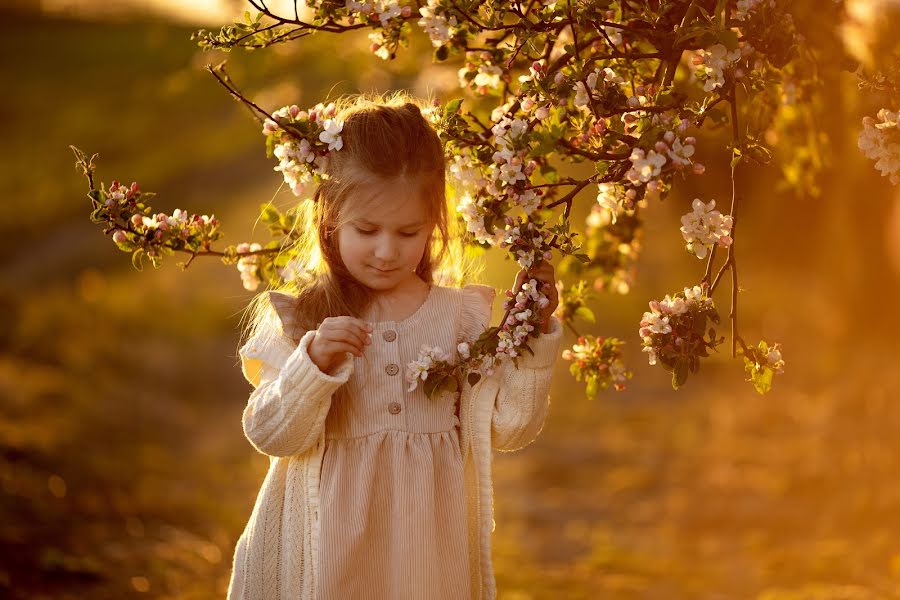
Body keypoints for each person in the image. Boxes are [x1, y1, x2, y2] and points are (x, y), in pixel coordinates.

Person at [227, 92, 563, 600]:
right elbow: (271, 434)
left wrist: (533, 333)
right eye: (366, 230)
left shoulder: (458, 317)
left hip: (427, 551)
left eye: (408, 232)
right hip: (327, 549)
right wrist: (310, 367)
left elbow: (511, 428)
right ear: (330, 218)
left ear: (435, 225)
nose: (386, 252)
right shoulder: (302, 318)